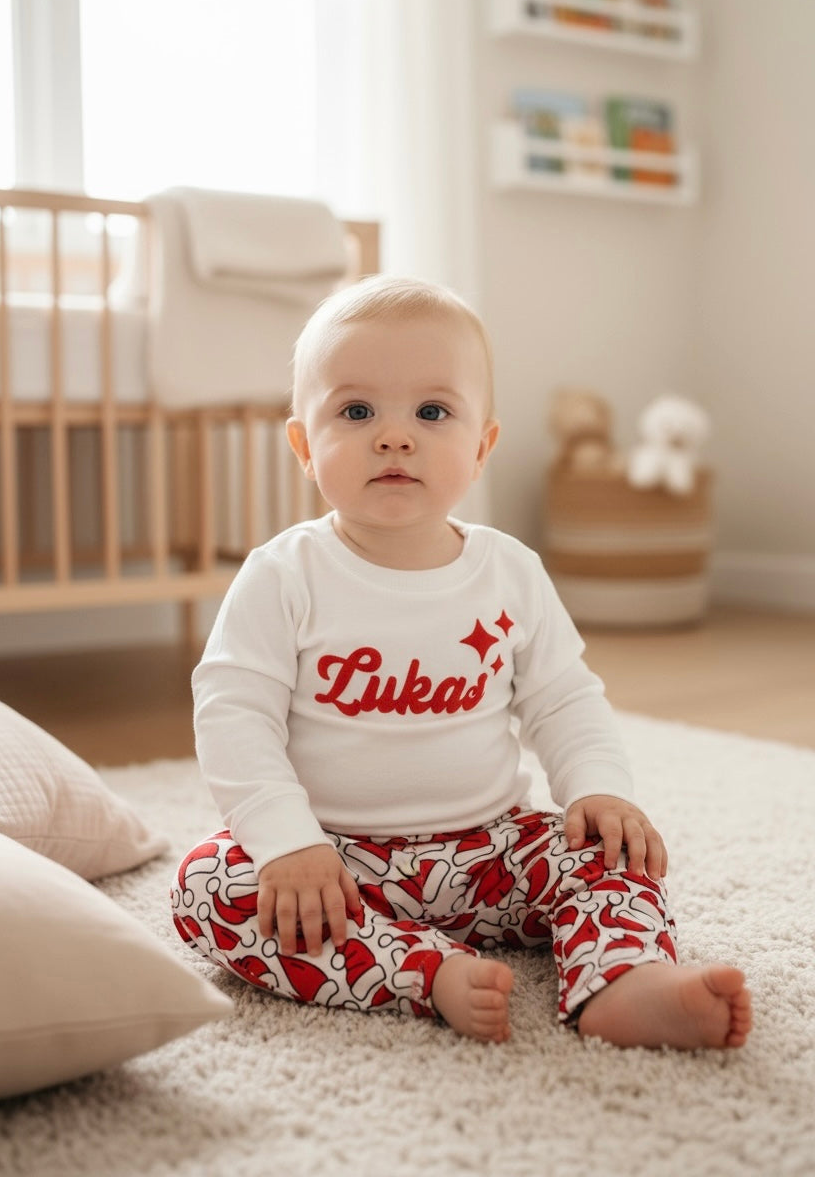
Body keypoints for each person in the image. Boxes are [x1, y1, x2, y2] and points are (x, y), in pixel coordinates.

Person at [171, 275, 751, 1048]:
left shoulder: (509, 572)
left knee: (611, 852)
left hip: (492, 849)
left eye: (432, 412)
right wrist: (287, 842)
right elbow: (232, 713)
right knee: (208, 888)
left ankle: (623, 980)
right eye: (356, 412)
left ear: (481, 447)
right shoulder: (284, 575)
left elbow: (563, 699)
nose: (395, 436)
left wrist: (602, 791)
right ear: (305, 447)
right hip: (335, 861)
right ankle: (423, 972)